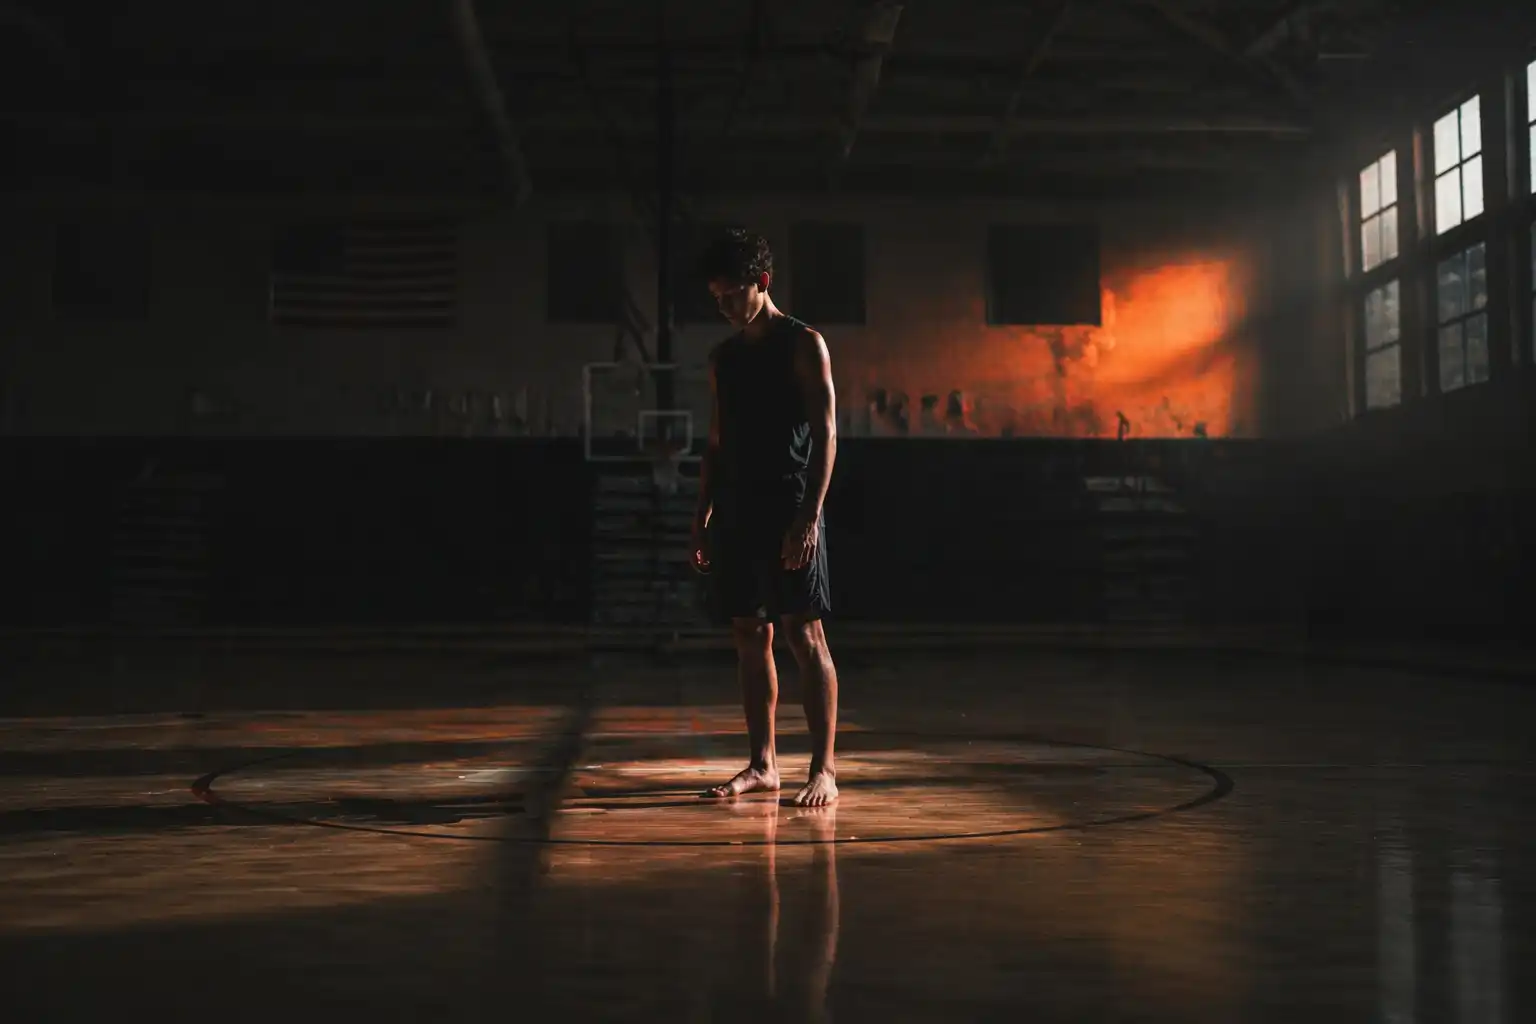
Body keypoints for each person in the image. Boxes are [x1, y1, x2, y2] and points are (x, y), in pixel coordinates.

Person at [691, 227, 840, 808]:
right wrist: (700, 516)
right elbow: (715, 442)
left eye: (733, 295)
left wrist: (809, 516)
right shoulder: (723, 358)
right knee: (750, 634)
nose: (724, 307)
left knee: (805, 634)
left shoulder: (804, 343)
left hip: (789, 503)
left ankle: (824, 770)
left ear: (763, 283)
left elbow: (827, 434)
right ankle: (763, 765)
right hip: (736, 509)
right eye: (717, 298)